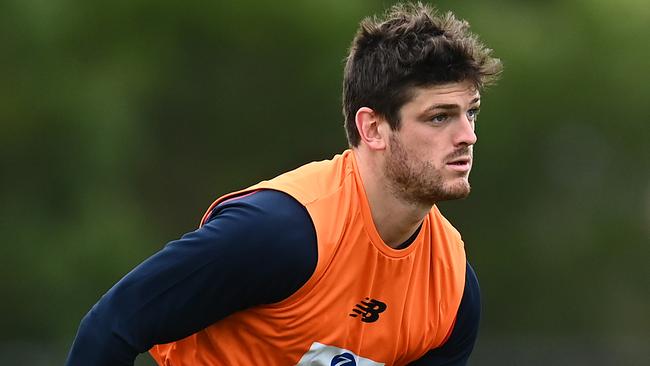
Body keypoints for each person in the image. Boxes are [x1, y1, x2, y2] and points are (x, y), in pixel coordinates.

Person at [66, 2, 502, 365]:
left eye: (471, 113)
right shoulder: (281, 232)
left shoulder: (452, 289)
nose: (467, 135)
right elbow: (112, 326)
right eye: (439, 116)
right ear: (372, 129)